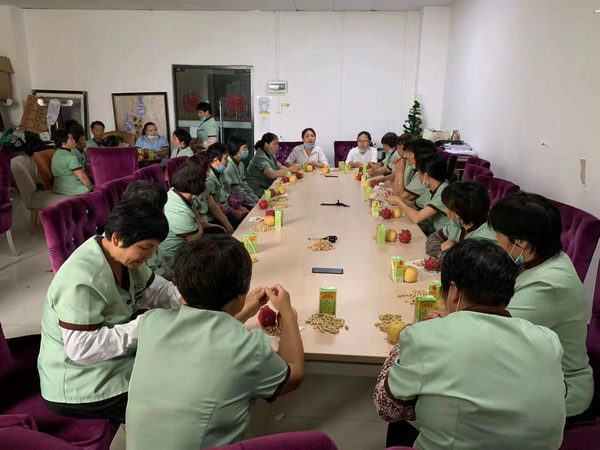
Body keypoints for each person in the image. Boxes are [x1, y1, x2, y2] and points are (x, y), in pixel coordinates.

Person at [374, 239, 566, 449]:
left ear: (454, 291)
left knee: (400, 427)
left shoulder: (426, 336)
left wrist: (406, 340)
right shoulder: (548, 340)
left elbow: (387, 409)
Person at [126, 235, 304, 449]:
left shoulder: (151, 322)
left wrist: (244, 312)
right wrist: (287, 312)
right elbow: (294, 376)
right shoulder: (248, 346)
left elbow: (203, 335)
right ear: (241, 293)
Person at [38, 202, 183, 424]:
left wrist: (184, 299)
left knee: (176, 360)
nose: (150, 255)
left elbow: (156, 290)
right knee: (172, 394)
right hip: (80, 380)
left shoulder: (123, 257)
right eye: (146, 247)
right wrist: (145, 325)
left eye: (154, 248)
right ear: (117, 238)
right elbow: (82, 348)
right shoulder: (82, 279)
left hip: (107, 361)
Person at [489, 192, 593, 418]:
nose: (496, 240)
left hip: (562, 387)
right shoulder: (540, 259)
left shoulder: (549, 285)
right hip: (530, 365)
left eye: (498, 234)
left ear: (521, 242)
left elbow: (494, 333)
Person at [154, 160, 225, 278]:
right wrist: (200, 228)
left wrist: (213, 227)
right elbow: (195, 238)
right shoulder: (178, 210)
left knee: (220, 233)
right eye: (204, 180)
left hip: (188, 244)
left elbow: (199, 222)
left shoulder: (181, 193)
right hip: (177, 257)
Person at [426, 181, 497, 259]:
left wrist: (450, 251)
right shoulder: (458, 223)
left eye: (446, 206)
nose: (445, 210)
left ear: (456, 214)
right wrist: (443, 254)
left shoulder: (484, 239)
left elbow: (464, 264)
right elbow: (431, 240)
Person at [385, 153, 451, 235]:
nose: (418, 176)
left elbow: (416, 218)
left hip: (444, 237)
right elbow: (414, 205)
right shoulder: (430, 188)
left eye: (419, 173)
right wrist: (395, 199)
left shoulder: (444, 192)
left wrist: (398, 201)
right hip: (430, 230)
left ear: (426, 176)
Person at [205, 143, 248, 229]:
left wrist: (238, 206)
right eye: (225, 158)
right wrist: (233, 212)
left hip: (227, 210)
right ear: (216, 160)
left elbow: (228, 194)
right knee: (242, 228)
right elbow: (215, 206)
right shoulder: (208, 180)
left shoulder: (222, 173)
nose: (228, 161)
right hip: (216, 216)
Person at [246, 133, 298, 197]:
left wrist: (292, 171)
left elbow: (279, 166)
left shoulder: (270, 153)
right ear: (266, 145)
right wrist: (289, 170)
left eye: (277, 144)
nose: (277, 146)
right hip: (256, 190)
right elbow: (271, 174)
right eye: (274, 144)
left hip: (266, 186)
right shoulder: (260, 157)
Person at [389, 138, 437, 208]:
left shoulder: (424, 175)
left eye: (408, 153)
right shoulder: (414, 168)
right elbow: (397, 194)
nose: (405, 156)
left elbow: (400, 196)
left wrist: (399, 170)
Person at [51, 129, 94, 196]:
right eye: (71, 139)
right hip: (72, 188)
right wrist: (92, 188)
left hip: (58, 188)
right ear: (63, 142)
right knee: (91, 189)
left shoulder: (56, 154)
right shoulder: (70, 157)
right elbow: (82, 177)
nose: (74, 141)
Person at [223, 136, 259, 209]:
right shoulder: (228, 165)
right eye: (244, 148)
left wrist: (256, 199)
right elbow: (236, 190)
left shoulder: (241, 164)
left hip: (242, 197)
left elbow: (243, 184)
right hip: (232, 201)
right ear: (236, 149)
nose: (247, 150)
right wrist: (253, 203)